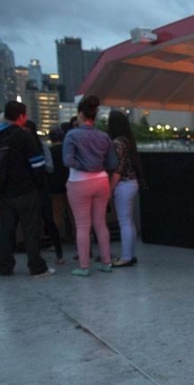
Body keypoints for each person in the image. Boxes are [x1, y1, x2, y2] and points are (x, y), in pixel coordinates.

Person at [0, 101, 54, 278]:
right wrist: (40, 185)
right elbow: (37, 163)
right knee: (31, 230)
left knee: (7, 230)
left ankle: (4, 265)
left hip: (4, 190)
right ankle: (36, 267)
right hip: (26, 189)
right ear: (21, 116)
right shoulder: (23, 135)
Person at [63, 95, 117, 277]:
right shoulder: (104, 136)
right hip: (101, 181)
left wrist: (85, 165)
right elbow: (112, 163)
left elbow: (67, 160)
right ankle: (106, 262)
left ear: (80, 115)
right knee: (101, 224)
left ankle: (84, 267)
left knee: (82, 225)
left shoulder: (72, 135)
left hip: (79, 182)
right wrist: (96, 165)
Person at [107, 110, 144, 268]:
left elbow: (118, 169)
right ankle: (131, 254)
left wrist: (109, 189)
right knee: (129, 222)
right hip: (132, 182)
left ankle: (126, 257)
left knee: (124, 222)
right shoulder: (128, 140)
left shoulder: (117, 143)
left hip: (123, 184)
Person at [25, 120, 64, 265]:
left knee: (49, 220)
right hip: (37, 188)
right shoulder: (41, 147)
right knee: (39, 221)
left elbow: (50, 167)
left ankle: (57, 251)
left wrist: (35, 164)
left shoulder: (42, 147)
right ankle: (38, 255)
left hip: (39, 188)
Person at [48, 124, 74, 242]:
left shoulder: (49, 152)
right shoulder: (67, 151)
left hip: (54, 186)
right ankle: (77, 238)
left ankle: (56, 242)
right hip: (69, 184)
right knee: (73, 213)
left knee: (56, 215)